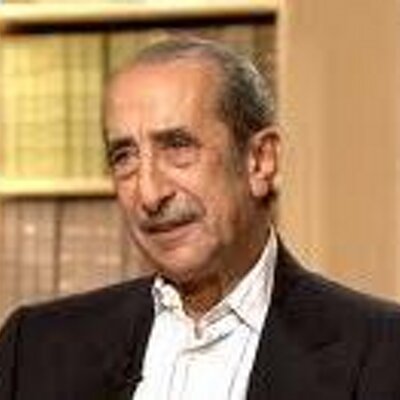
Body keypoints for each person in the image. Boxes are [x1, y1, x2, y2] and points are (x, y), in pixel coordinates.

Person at [1, 37, 400, 400]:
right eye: (124, 157)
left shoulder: (382, 352)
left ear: (260, 160)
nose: (149, 193)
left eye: (178, 146)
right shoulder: (33, 348)